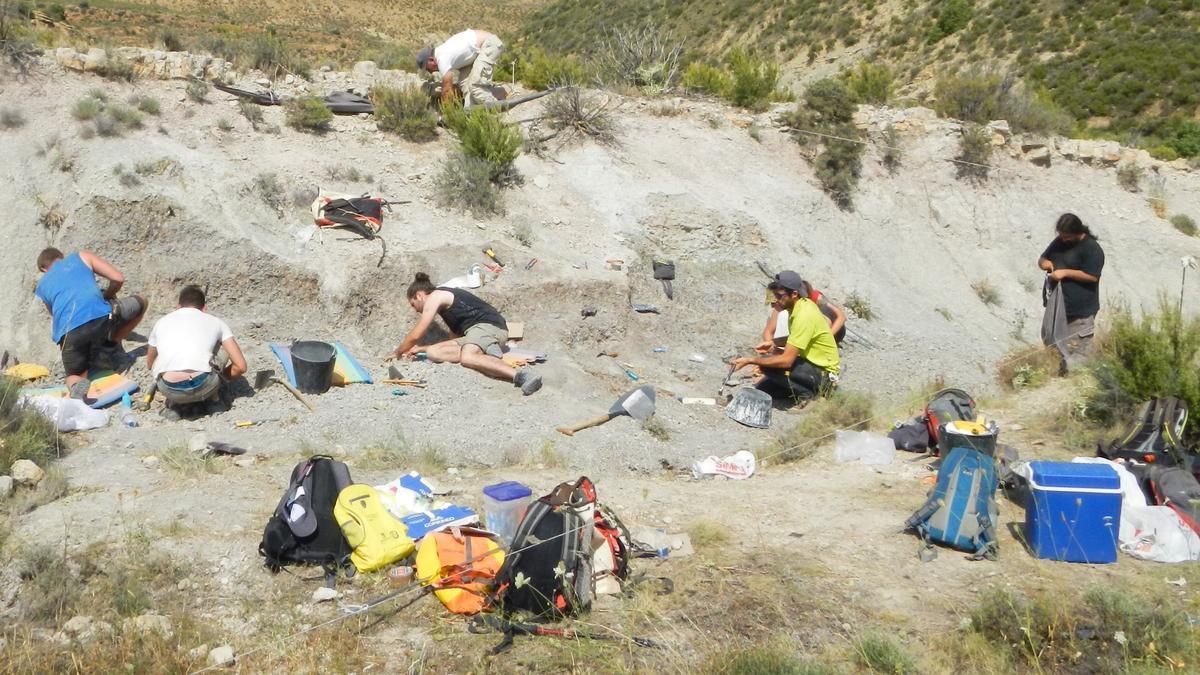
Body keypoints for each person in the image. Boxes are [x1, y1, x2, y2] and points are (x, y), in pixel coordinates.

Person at [387, 273, 542, 395]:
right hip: (474, 335)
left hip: (490, 327)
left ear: (419, 295)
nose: (416, 309)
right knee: (434, 353)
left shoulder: (437, 295)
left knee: (467, 357)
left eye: (414, 304)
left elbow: (417, 333)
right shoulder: (448, 310)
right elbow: (455, 339)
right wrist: (422, 349)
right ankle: (487, 351)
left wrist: (398, 352)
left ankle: (521, 376)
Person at [34, 247, 148, 399]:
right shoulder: (81, 257)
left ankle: (77, 385)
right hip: (102, 318)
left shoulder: (41, 286)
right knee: (142, 301)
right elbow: (118, 278)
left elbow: (56, 316)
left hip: (70, 333)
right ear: (61, 257)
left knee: (75, 376)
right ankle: (109, 346)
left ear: (43, 268)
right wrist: (108, 295)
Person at [731, 271, 840, 404]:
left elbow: (786, 361)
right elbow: (797, 336)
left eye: (779, 295)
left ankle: (813, 397)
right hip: (811, 366)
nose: (776, 299)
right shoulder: (796, 307)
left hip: (824, 374)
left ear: (794, 294)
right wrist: (773, 342)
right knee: (764, 389)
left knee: (768, 363)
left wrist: (751, 360)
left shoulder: (804, 314)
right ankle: (803, 390)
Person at [146, 285, 248, 419]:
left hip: (169, 388)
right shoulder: (217, 322)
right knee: (222, 351)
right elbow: (241, 366)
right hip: (205, 385)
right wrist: (221, 380)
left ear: (178, 306)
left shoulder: (161, 322)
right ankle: (214, 400)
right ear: (204, 309)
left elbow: (150, 364)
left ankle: (175, 405)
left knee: (163, 359)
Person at [1038, 213, 1105, 368]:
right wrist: (1046, 264)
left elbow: (1092, 276)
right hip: (1057, 308)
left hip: (1080, 312)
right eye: (1061, 235)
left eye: (1066, 236)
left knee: (1076, 354)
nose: (1063, 239)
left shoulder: (1092, 249)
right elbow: (1042, 260)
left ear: (1077, 232)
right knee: (1053, 349)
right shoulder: (1059, 242)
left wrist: (1065, 272)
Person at [415, 29, 505, 109]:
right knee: (465, 86)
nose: (431, 72)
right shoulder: (442, 53)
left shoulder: (441, 58)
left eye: (428, 69)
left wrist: (444, 113)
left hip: (489, 44)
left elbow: (447, 89)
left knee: (476, 87)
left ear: (431, 60)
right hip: (477, 51)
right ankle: (472, 113)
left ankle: (495, 108)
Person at [758, 279, 846, 352]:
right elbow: (768, 331)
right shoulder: (784, 302)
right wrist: (770, 347)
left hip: (835, 330)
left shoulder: (816, 298)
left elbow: (841, 317)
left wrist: (827, 338)